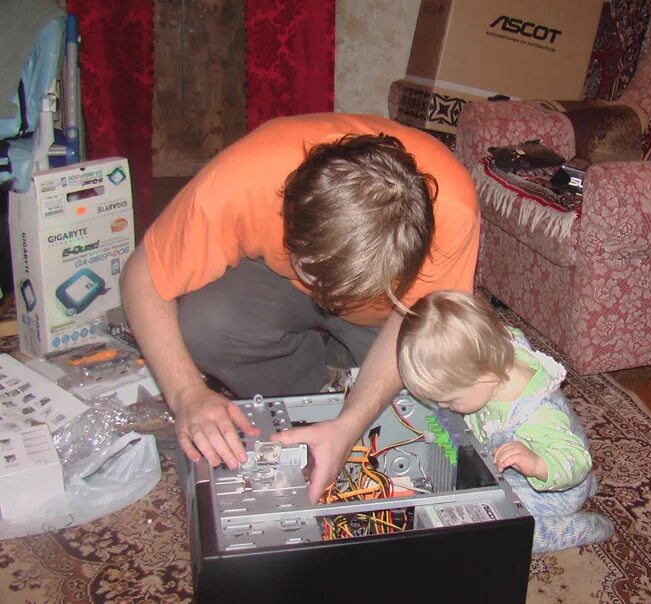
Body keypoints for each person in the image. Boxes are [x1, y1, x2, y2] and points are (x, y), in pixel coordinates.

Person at [120, 113, 480, 503]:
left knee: (439, 401)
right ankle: (309, 391)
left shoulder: (453, 214)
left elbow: (415, 321)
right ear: (289, 214)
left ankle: (342, 379)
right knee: (206, 325)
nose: (329, 299)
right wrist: (187, 394)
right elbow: (143, 277)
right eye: (312, 274)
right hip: (275, 283)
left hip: (386, 319)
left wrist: (351, 424)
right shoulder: (245, 178)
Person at [396, 291, 613, 552]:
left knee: (506, 533)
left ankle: (581, 527)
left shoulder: (535, 415)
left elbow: (577, 460)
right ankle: (585, 485)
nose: (443, 406)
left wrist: (536, 464)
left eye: (451, 400)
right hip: (543, 454)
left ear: (486, 378)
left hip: (548, 491)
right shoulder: (496, 349)